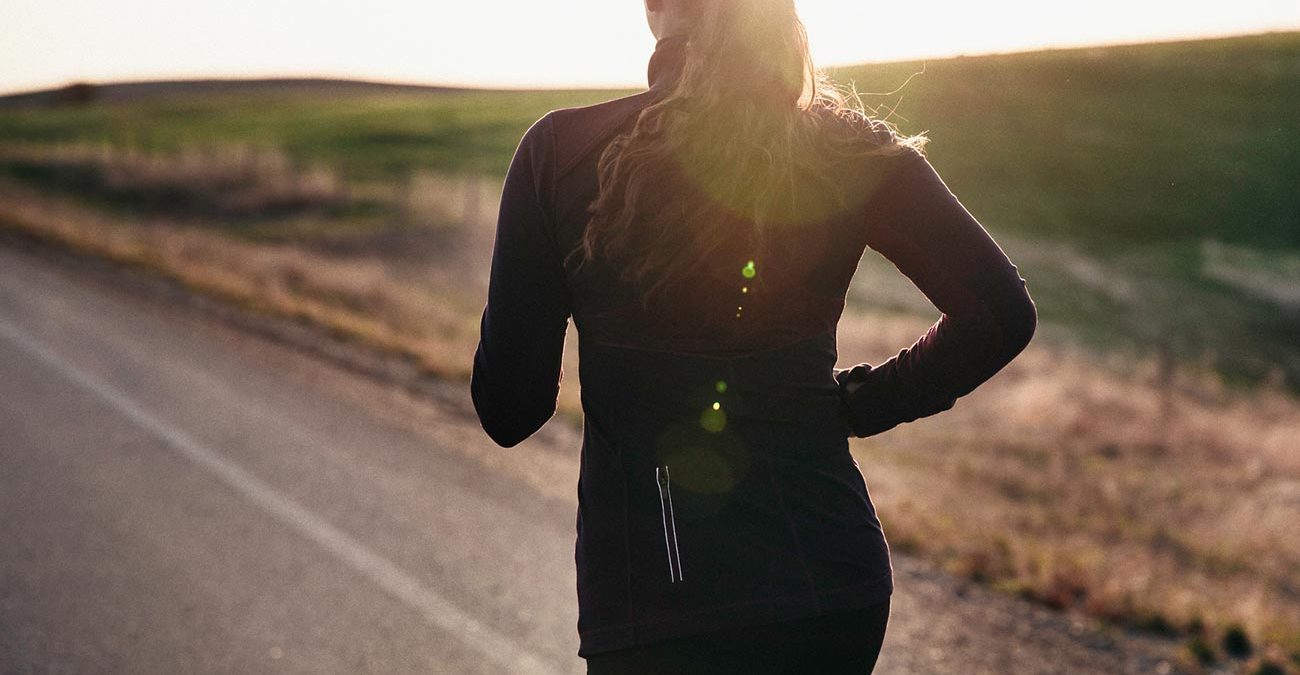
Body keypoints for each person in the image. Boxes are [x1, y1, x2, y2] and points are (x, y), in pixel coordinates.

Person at [471, 0, 1038, 672]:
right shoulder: (846, 146)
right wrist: (859, 403)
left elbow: (510, 411)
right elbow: (1000, 313)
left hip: (659, 604)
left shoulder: (560, 153)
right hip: (833, 585)